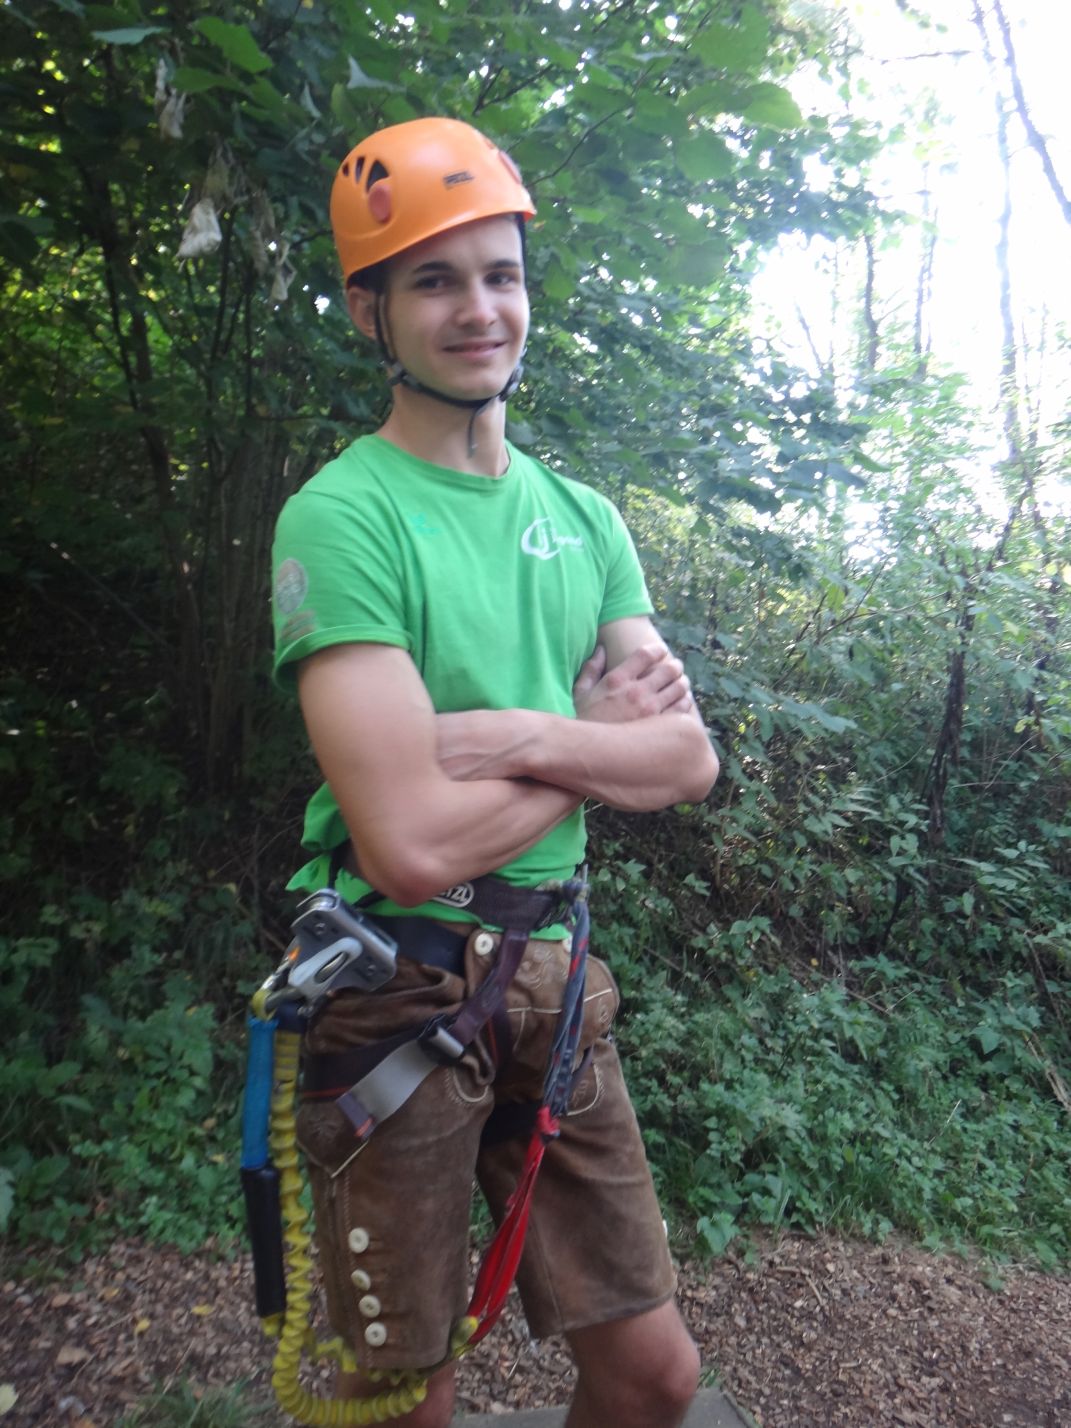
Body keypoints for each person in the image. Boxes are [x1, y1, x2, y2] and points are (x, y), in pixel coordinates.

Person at [270, 116, 719, 1428]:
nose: (479, 309)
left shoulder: (585, 520)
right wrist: (591, 745)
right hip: (398, 984)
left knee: (655, 1376)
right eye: (435, 280)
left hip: (555, 980)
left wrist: (520, 735)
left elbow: (686, 757)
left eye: (501, 274)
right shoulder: (343, 516)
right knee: (404, 1396)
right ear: (371, 311)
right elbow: (409, 844)